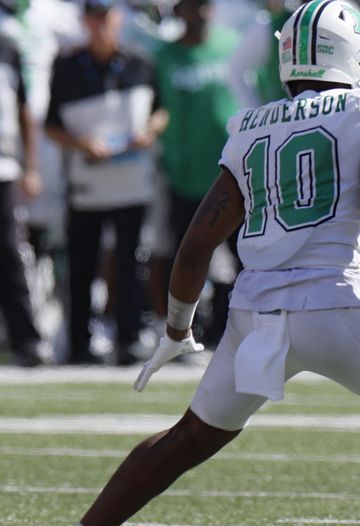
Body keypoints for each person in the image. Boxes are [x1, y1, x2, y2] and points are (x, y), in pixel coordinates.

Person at [23, 3, 360, 526]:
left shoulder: (251, 126)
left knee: (186, 440)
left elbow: (197, 243)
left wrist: (175, 330)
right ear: (352, 52)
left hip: (255, 320)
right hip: (333, 313)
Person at [45, 0, 167, 365]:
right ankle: (80, 342)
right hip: (87, 185)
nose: (102, 26)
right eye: (94, 19)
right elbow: (51, 126)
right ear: (84, 21)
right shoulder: (67, 66)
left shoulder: (140, 62)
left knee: (131, 263)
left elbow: (162, 111)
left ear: (117, 20)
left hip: (132, 183)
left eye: (107, 18)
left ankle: (129, 338)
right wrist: (84, 145)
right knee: (82, 265)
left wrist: (149, 131)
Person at [154, 0, 243, 345]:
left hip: (232, 174)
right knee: (186, 256)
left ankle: (228, 328)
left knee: (243, 259)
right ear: (180, 11)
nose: (201, 12)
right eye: (193, 6)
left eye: (205, 5)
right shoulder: (164, 56)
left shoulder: (233, 46)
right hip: (183, 175)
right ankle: (179, 334)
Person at [0, 26, 45, 366]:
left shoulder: (8, 46)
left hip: (4, 166)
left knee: (11, 253)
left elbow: (23, 109)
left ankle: (26, 340)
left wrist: (30, 166)